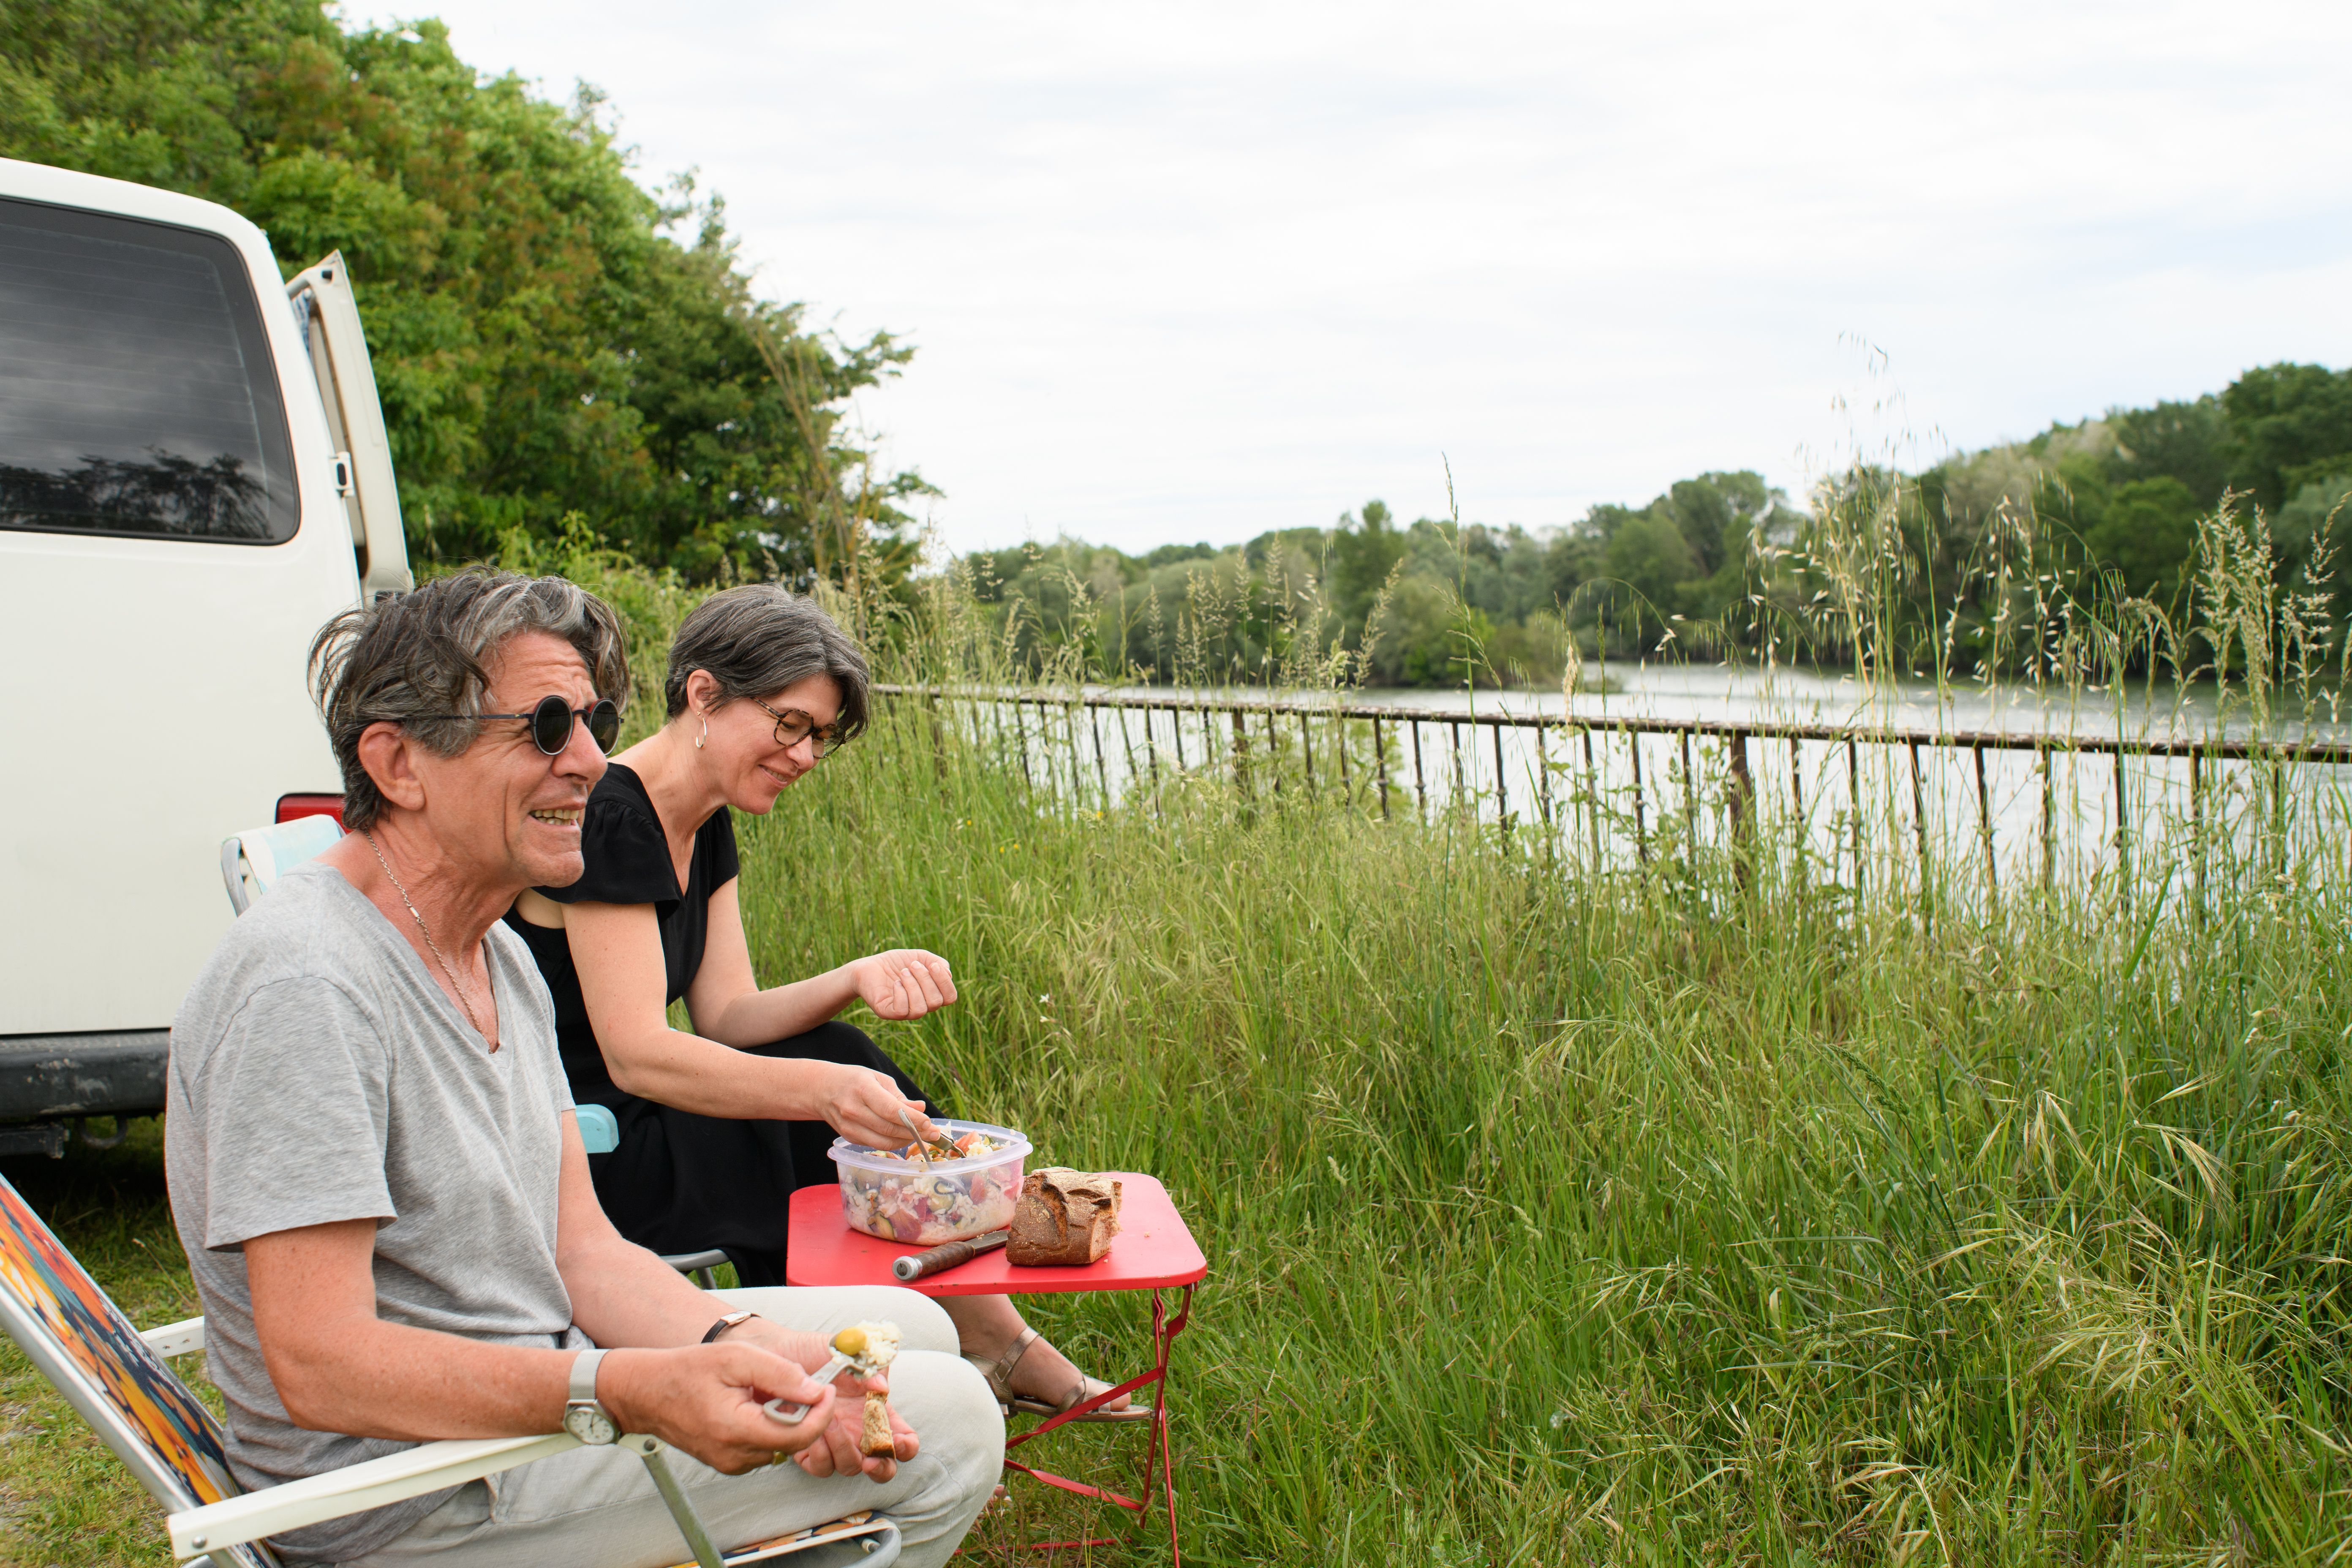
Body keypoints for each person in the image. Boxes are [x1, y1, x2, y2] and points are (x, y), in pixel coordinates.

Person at [165, 570, 1002, 1567]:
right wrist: (624, 1389)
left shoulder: (495, 950)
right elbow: (322, 1363)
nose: (594, 760)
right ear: (398, 763)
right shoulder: (306, 983)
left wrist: (733, 1339)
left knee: (907, 1332)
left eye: (594, 722)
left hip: (538, 1374)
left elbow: (583, 1250)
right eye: (547, 726)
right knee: (953, 1418)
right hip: (411, 1489)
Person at [504, 583, 1140, 1422]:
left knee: (835, 1048)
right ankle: (942, 1355)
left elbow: (728, 1014)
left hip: (647, 1117)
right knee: (822, 1096)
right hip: (592, 1154)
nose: (805, 755)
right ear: (704, 694)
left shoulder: (703, 817)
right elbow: (636, 1053)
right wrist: (820, 1090)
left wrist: (853, 977)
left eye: (821, 736)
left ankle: (970, 1346)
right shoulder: (613, 816)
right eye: (790, 723)